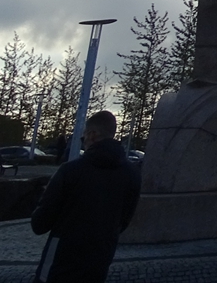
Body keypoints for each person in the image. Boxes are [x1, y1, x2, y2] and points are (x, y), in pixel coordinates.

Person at [30, 110, 142, 283]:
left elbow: (40, 223)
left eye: (83, 136)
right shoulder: (132, 174)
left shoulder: (70, 171)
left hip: (60, 262)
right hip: (100, 260)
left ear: (92, 135)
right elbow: (124, 221)